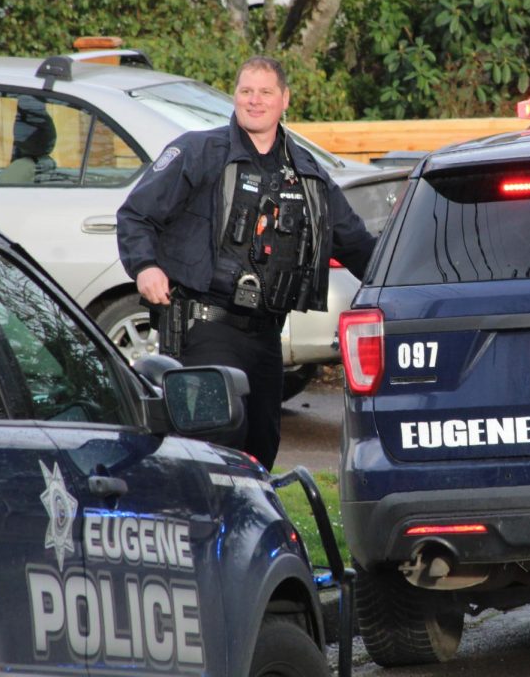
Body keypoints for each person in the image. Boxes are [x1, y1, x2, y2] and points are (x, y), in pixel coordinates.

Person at [116, 56, 376, 469]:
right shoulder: (199, 151)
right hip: (205, 327)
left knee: (261, 445)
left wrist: (400, 285)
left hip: (266, 336)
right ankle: (200, 527)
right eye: (246, 91)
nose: (254, 101)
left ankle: (244, 529)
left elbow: (354, 242)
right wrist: (145, 266)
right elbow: (136, 215)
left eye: (265, 92)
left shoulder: (306, 171)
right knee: (214, 445)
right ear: (234, 96)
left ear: (284, 99)